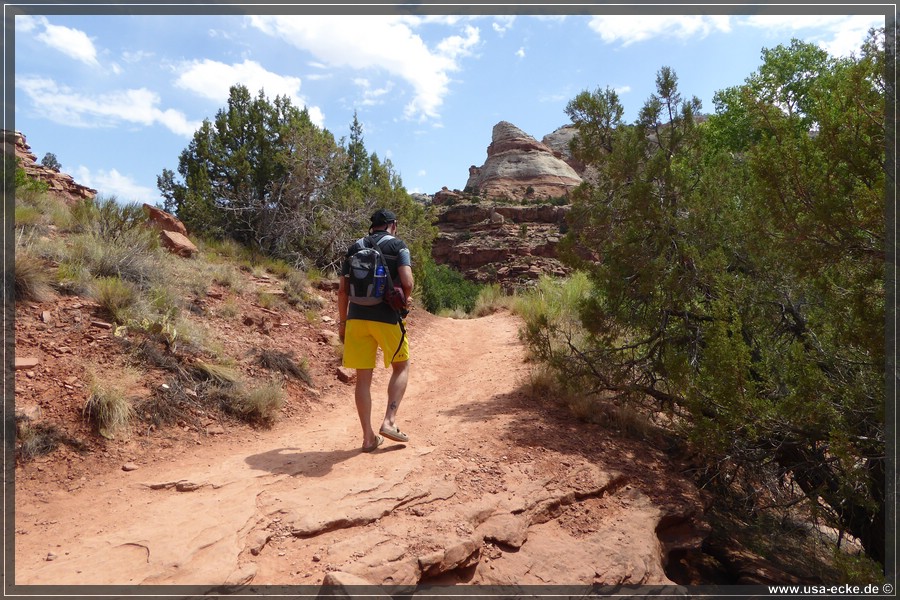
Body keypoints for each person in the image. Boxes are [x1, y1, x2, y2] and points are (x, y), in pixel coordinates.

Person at [338, 208, 414, 452]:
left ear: (373, 226)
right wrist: (404, 300)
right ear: (393, 224)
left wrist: (343, 323)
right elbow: (408, 281)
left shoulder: (355, 247)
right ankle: (389, 421)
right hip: (386, 317)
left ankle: (368, 438)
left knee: (363, 379)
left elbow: (342, 290)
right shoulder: (398, 246)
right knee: (401, 365)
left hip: (357, 318)